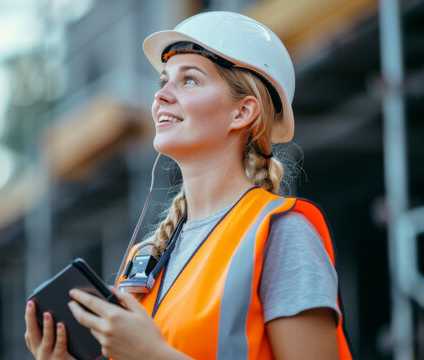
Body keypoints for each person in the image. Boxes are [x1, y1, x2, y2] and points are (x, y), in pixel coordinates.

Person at [24, 11, 353, 360]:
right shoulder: (144, 261)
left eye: (190, 80)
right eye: (163, 81)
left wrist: (153, 355)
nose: (161, 96)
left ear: (242, 112)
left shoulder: (280, 233)